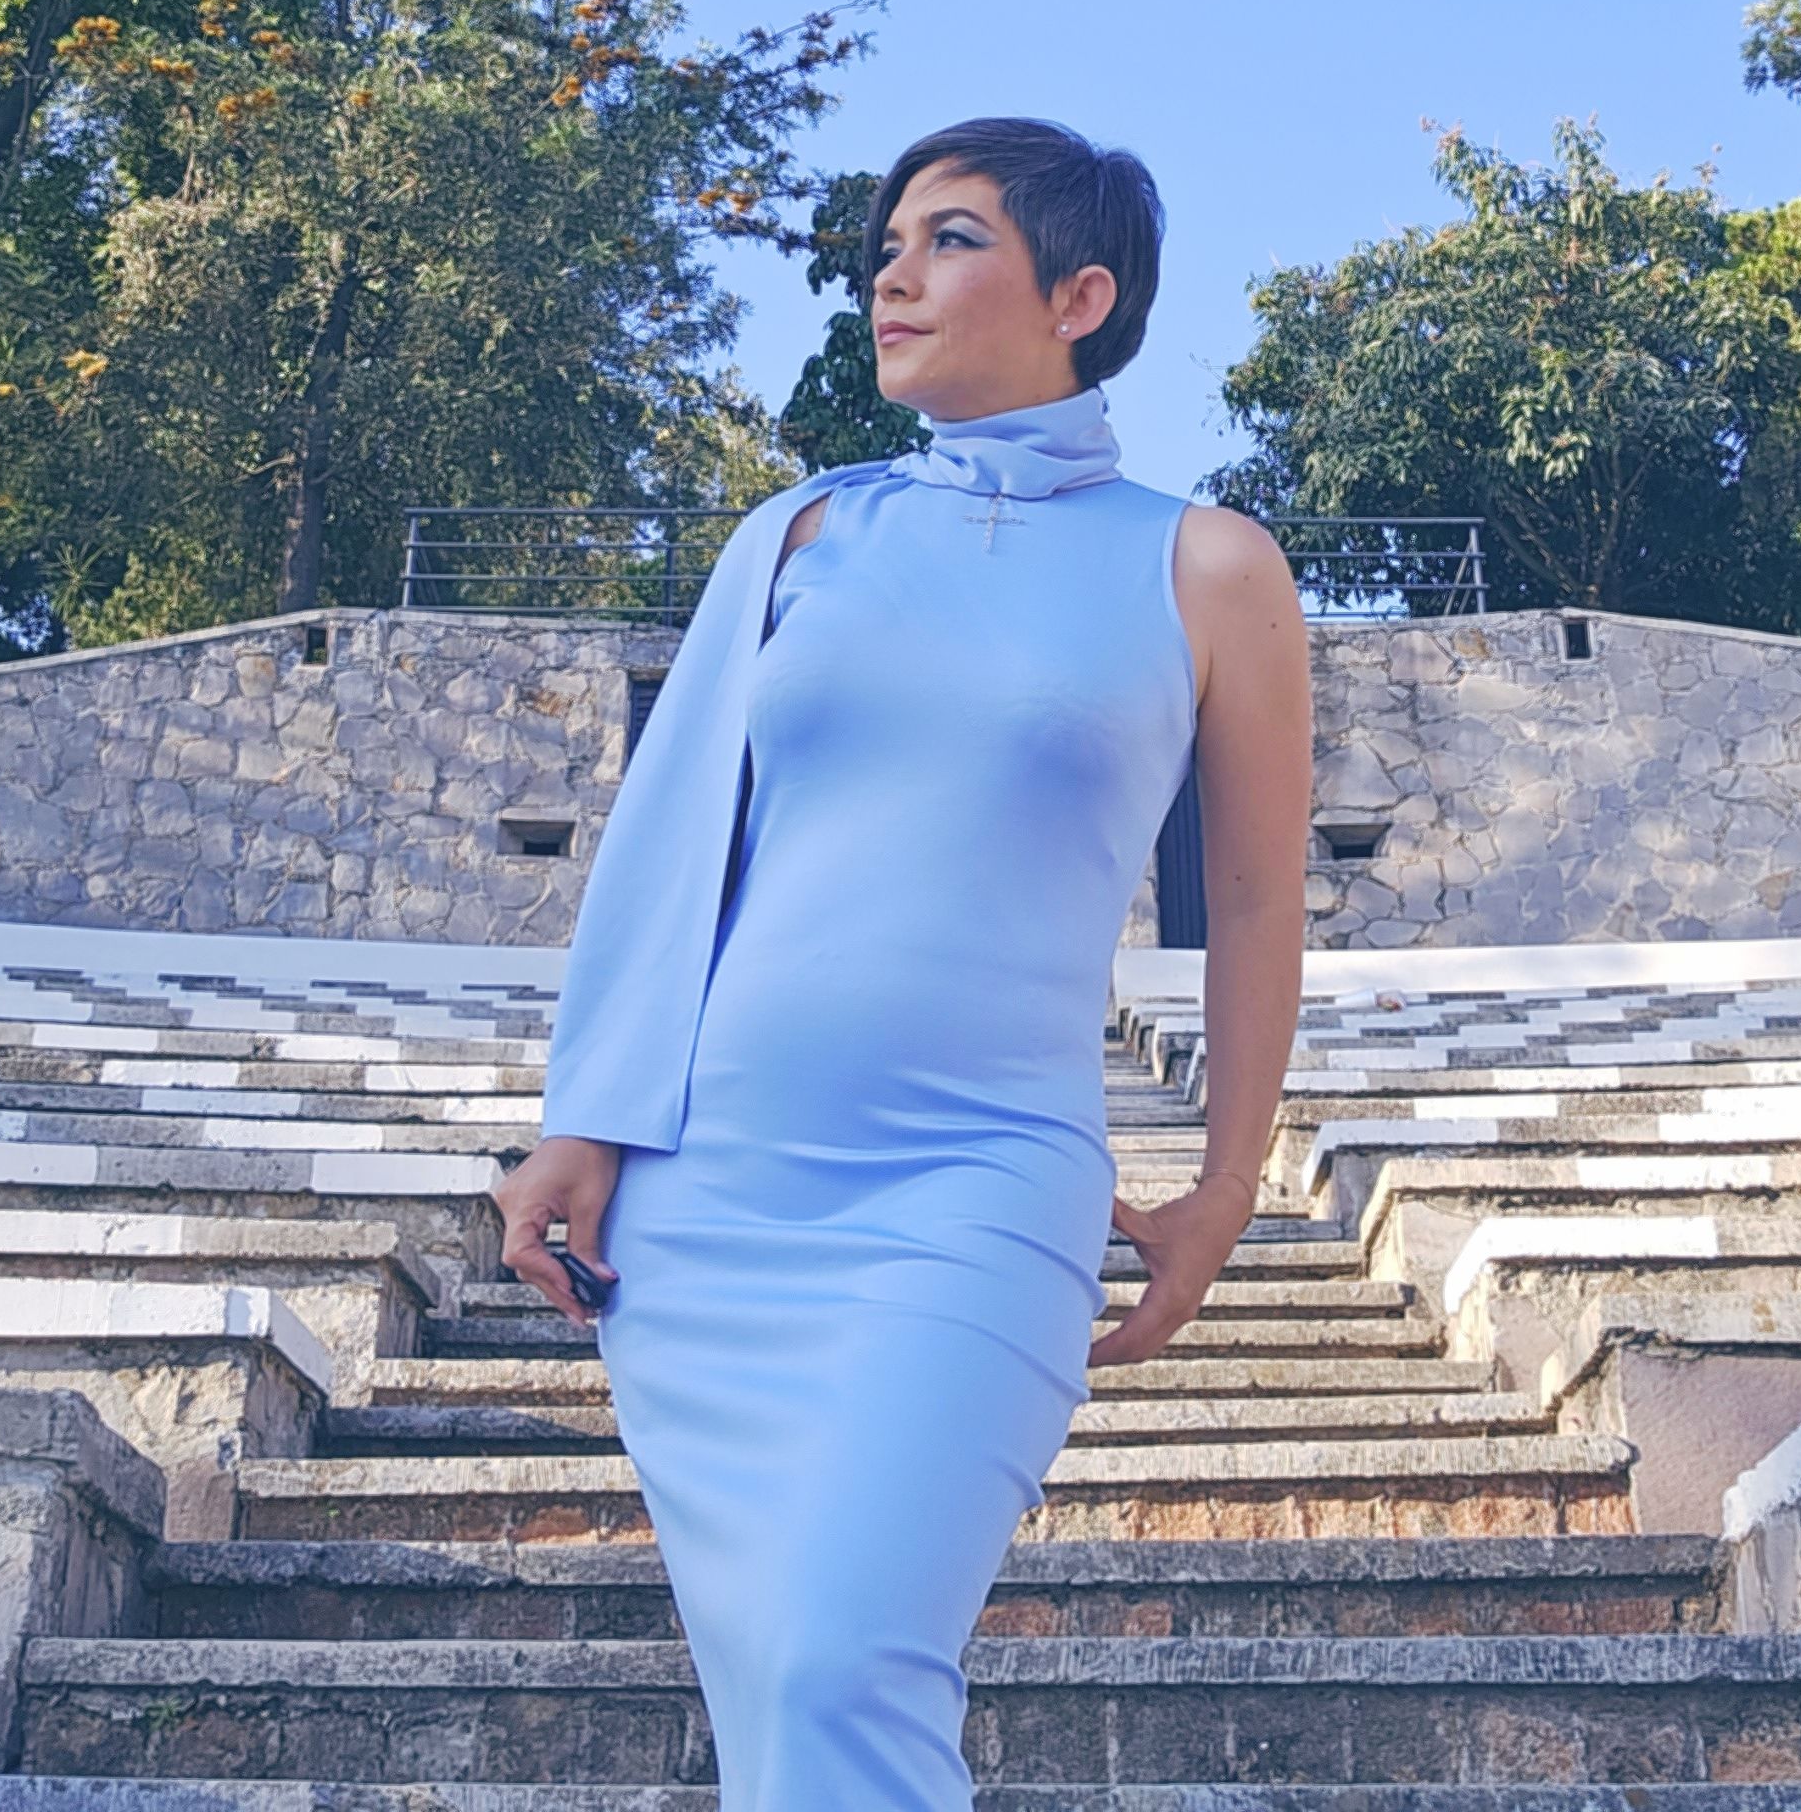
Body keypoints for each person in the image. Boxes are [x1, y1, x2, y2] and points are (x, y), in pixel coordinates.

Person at [491, 116, 1311, 1809]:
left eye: (950, 239)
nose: (891, 277)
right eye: (886, 247)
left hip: (978, 1187)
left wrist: (1227, 1185)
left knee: (842, 1662)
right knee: (785, 1710)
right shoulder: (798, 536)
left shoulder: (1210, 567)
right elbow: (674, 845)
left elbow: (1251, 897)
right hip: (711, 1203)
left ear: (1081, 295)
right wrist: (584, 1118)